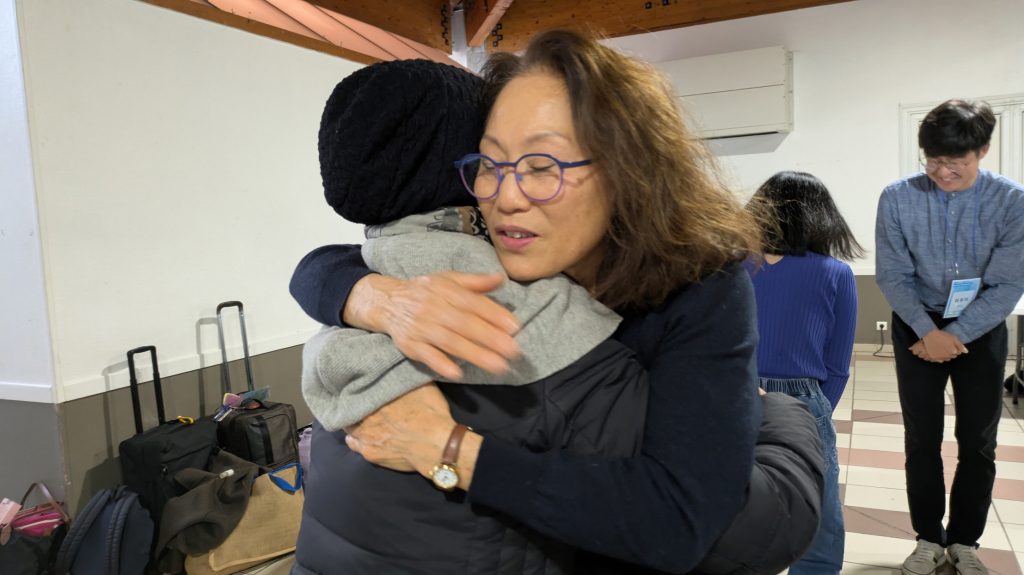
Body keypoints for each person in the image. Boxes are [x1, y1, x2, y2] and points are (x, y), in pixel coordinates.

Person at [291, 30, 824, 574]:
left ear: (627, 171)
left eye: (543, 166)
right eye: (490, 164)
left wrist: (447, 449)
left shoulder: (698, 287)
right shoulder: (494, 258)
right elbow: (334, 260)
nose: (507, 197)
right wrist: (367, 296)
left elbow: (685, 519)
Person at [876, 99, 1024, 575]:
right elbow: (892, 274)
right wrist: (927, 331)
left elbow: (1008, 284)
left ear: (983, 151)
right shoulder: (897, 197)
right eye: (933, 160)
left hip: (979, 328)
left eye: (955, 161)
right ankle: (927, 538)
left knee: (978, 440)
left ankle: (964, 540)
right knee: (921, 438)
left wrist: (954, 334)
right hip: (916, 325)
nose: (942, 172)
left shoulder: (1012, 201)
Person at [747, 171, 863, 574]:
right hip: (802, 398)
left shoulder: (732, 267)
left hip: (738, 390)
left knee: (731, 499)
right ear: (822, 217)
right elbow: (837, 366)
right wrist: (816, 414)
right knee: (819, 508)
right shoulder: (836, 273)